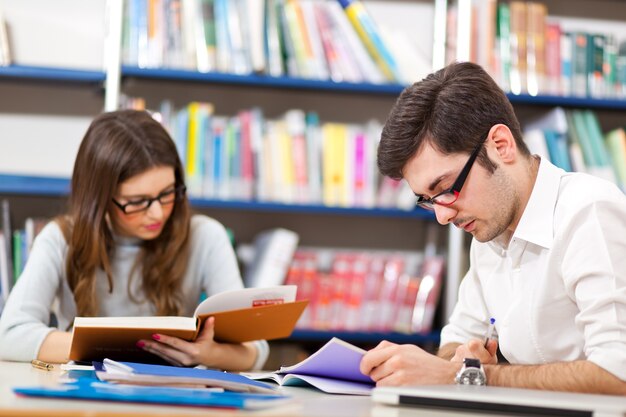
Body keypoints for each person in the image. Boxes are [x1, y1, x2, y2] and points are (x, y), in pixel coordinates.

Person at [361, 62, 626, 394]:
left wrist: (471, 374)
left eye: (445, 188)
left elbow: (617, 374)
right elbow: (456, 340)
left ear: (501, 145)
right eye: (428, 199)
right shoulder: (489, 231)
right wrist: (461, 358)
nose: (442, 217)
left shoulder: (589, 211)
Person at [0, 110, 268, 371]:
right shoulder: (60, 238)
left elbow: (256, 348)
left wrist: (209, 353)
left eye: (167, 193)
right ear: (99, 199)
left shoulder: (207, 236)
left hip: (172, 401)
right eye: (137, 202)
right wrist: (112, 349)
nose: (157, 212)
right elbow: (9, 335)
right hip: (86, 399)